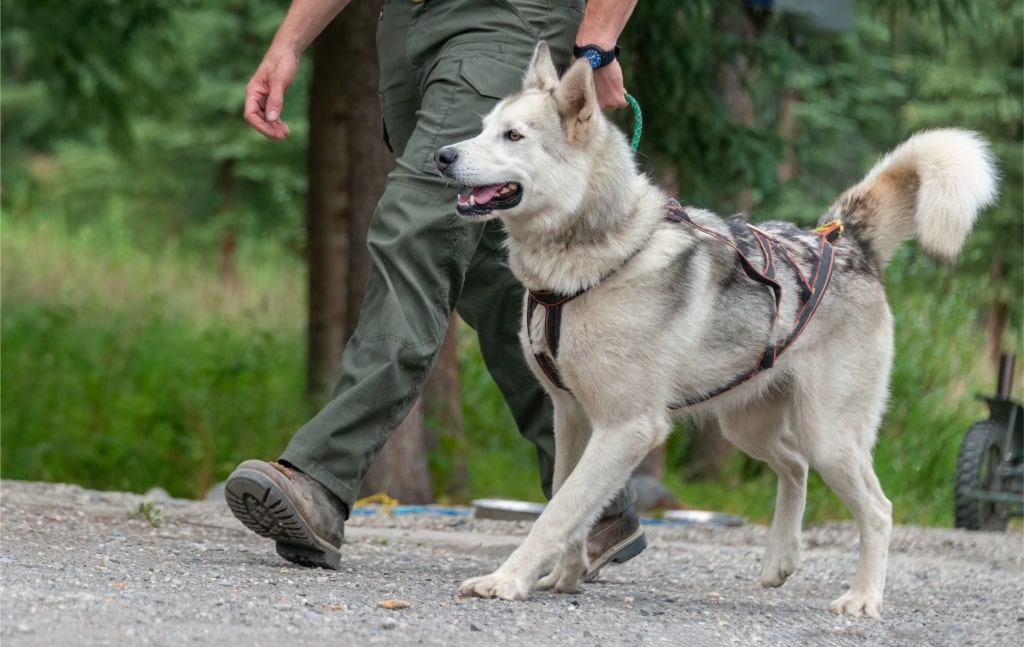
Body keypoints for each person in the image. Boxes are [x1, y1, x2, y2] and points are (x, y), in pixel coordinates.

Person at [225, 0, 645, 580]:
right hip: (407, 32)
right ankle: (595, 501)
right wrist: (290, 41)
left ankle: (321, 476)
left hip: (507, 21)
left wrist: (597, 44)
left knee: (417, 231)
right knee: (494, 277)